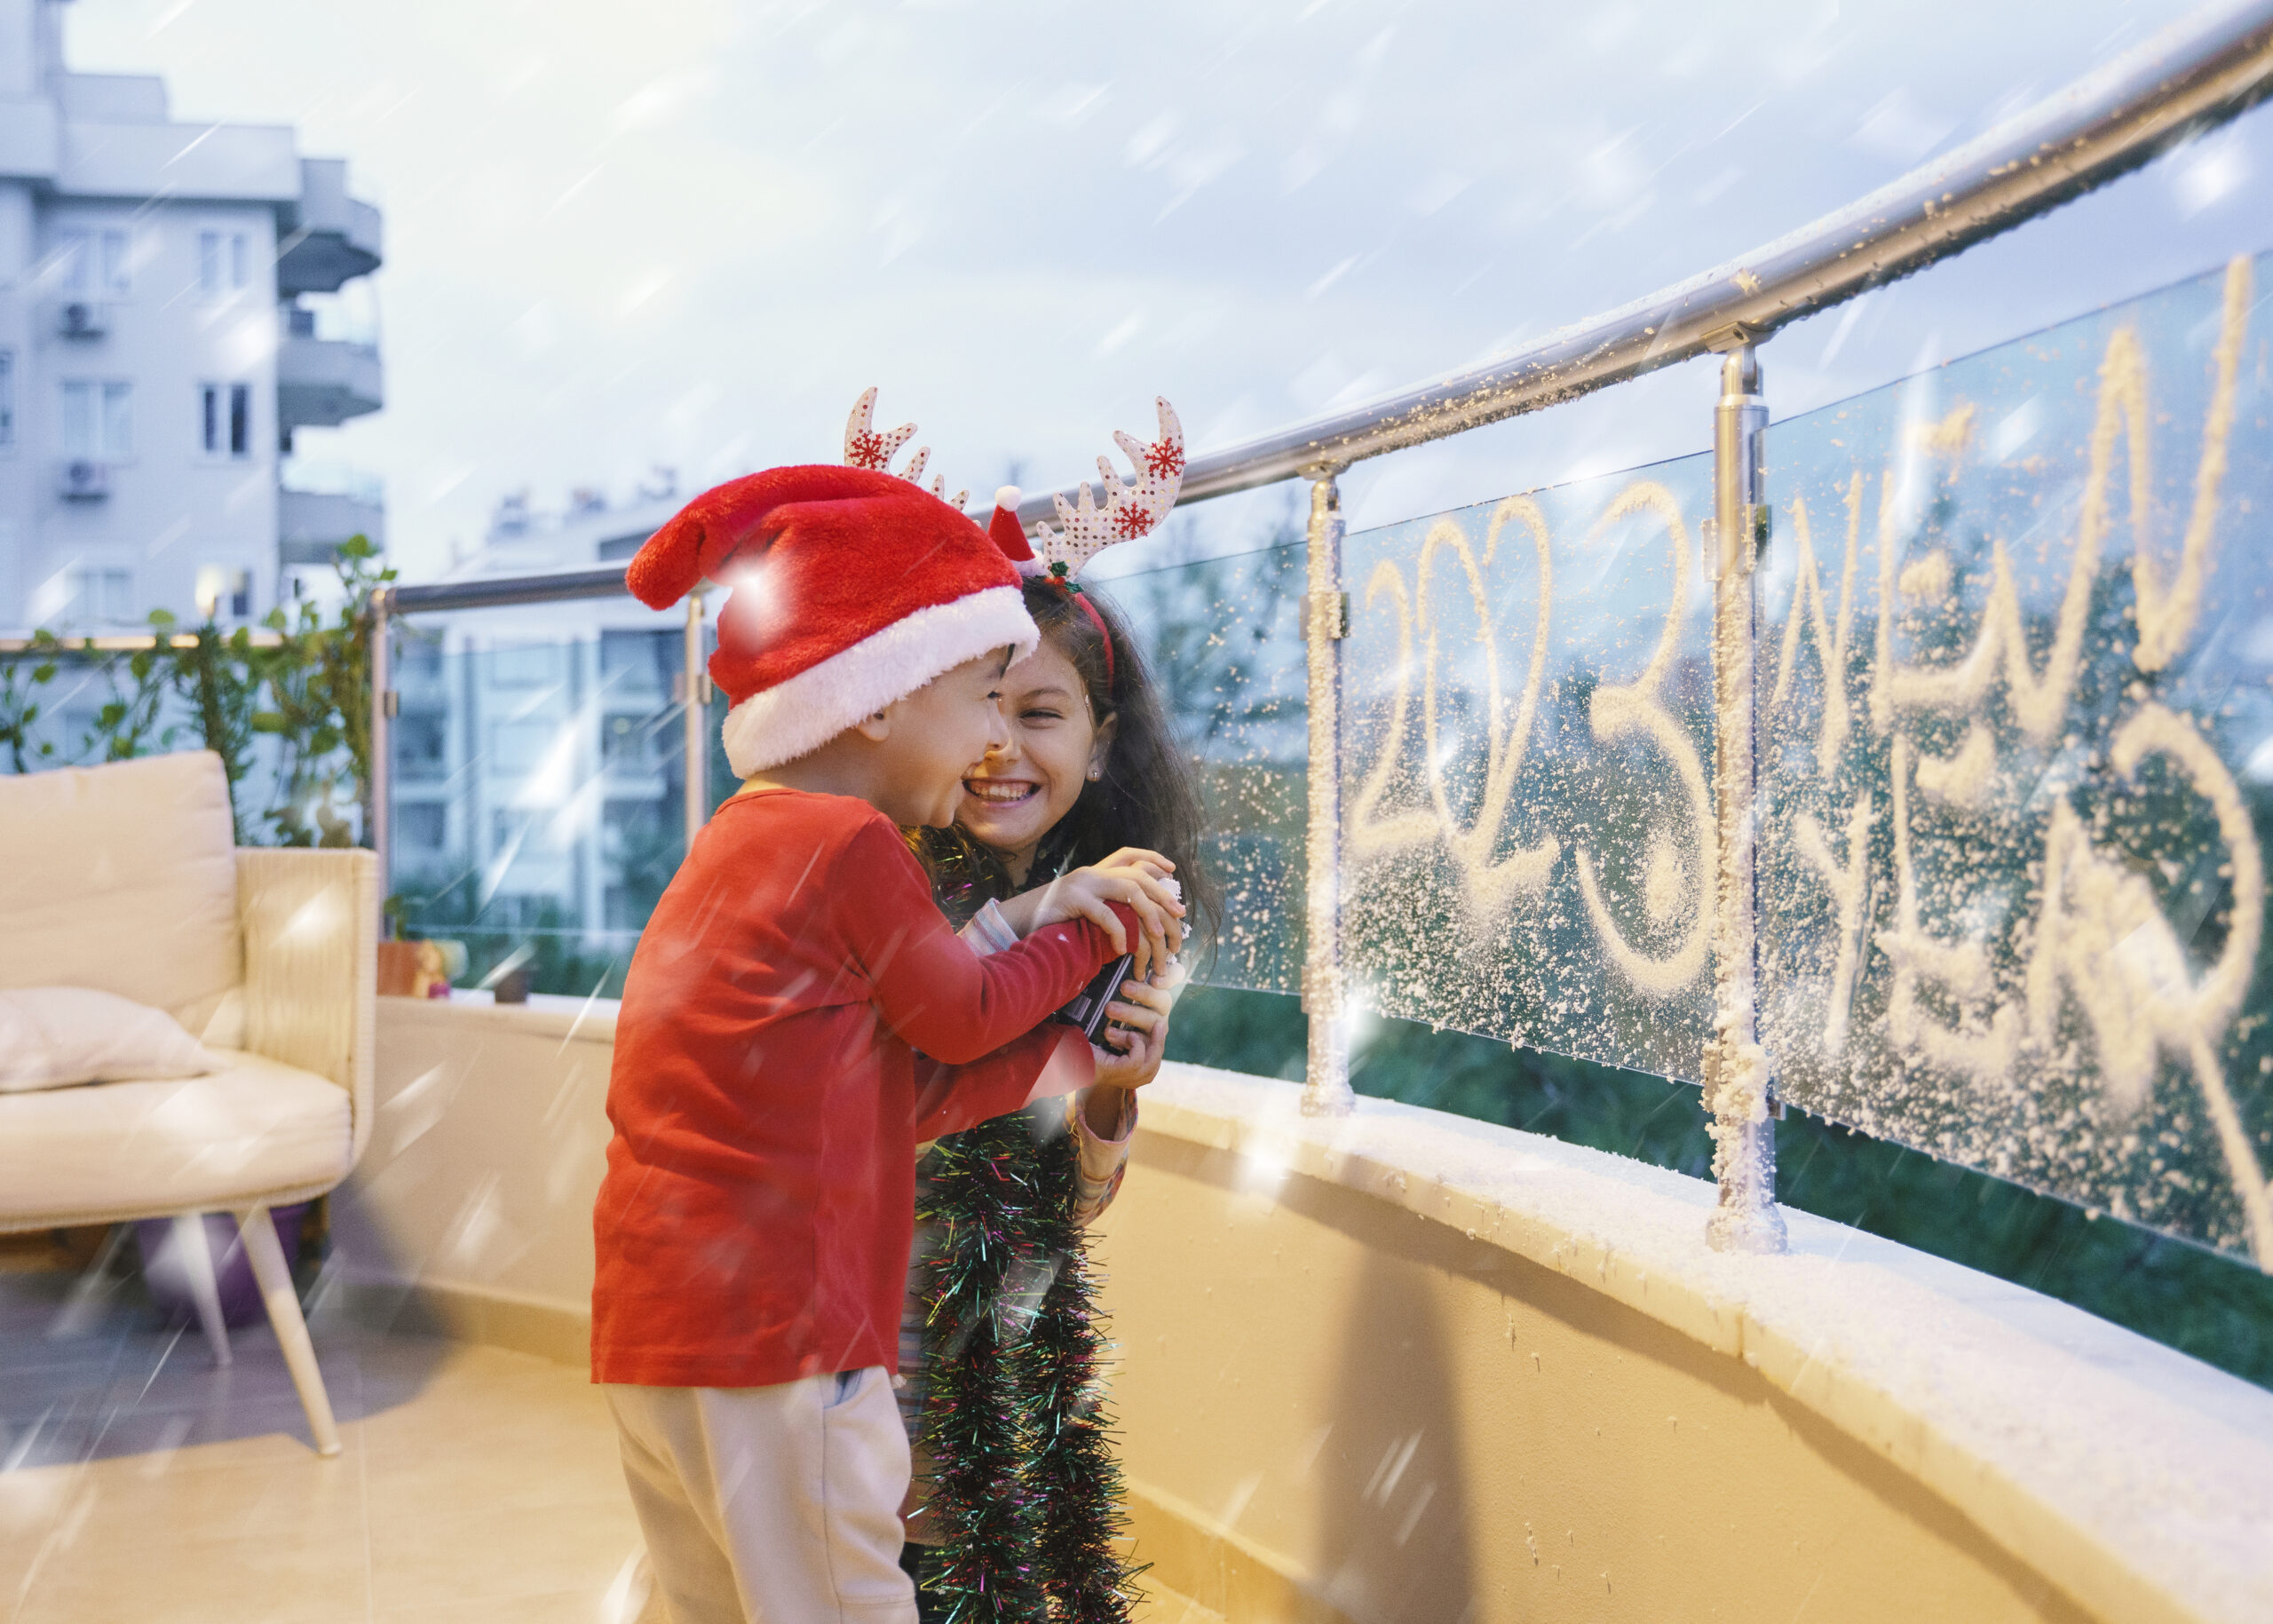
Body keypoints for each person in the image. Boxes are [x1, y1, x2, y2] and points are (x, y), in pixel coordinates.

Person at [590, 449, 1182, 1624]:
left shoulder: (737, 843)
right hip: (785, 1334)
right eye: (974, 697)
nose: (983, 746)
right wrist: (1088, 937)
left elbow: (891, 1096)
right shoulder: (851, 847)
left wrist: (1068, 1039)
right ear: (873, 695)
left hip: (659, 1332)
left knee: (706, 1604)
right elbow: (959, 1013)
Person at [896, 447, 1214, 1618]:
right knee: (899, 1555)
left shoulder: (1118, 913)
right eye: (981, 705)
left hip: (1019, 1326)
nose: (1004, 747)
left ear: (1100, 734)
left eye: (1041, 712)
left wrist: (1117, 1096)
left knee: (1007, 1548)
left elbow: (1070, 1196)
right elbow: (920, 1022)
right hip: (869, 1310)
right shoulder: (893, 876)